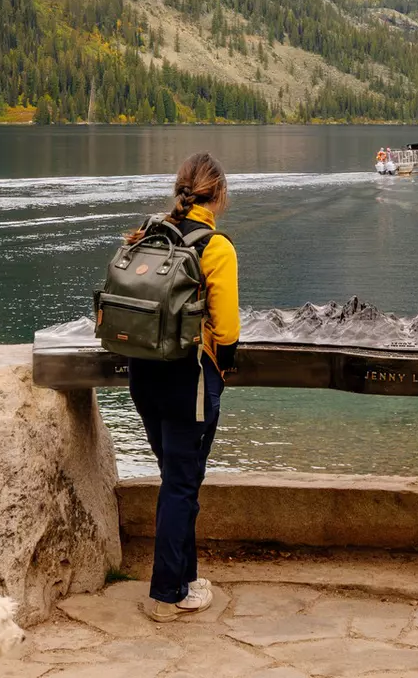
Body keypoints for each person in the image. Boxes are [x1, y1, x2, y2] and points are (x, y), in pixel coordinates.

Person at [128, 152, 240, 622]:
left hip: (142, 375)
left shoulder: (147, 233)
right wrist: (223, 365)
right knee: (181, 485)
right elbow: (228, 330)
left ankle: (187, 580)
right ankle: (166, 595)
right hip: (187, 382)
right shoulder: (215, 247)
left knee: (177, 481)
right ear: (218, 196)